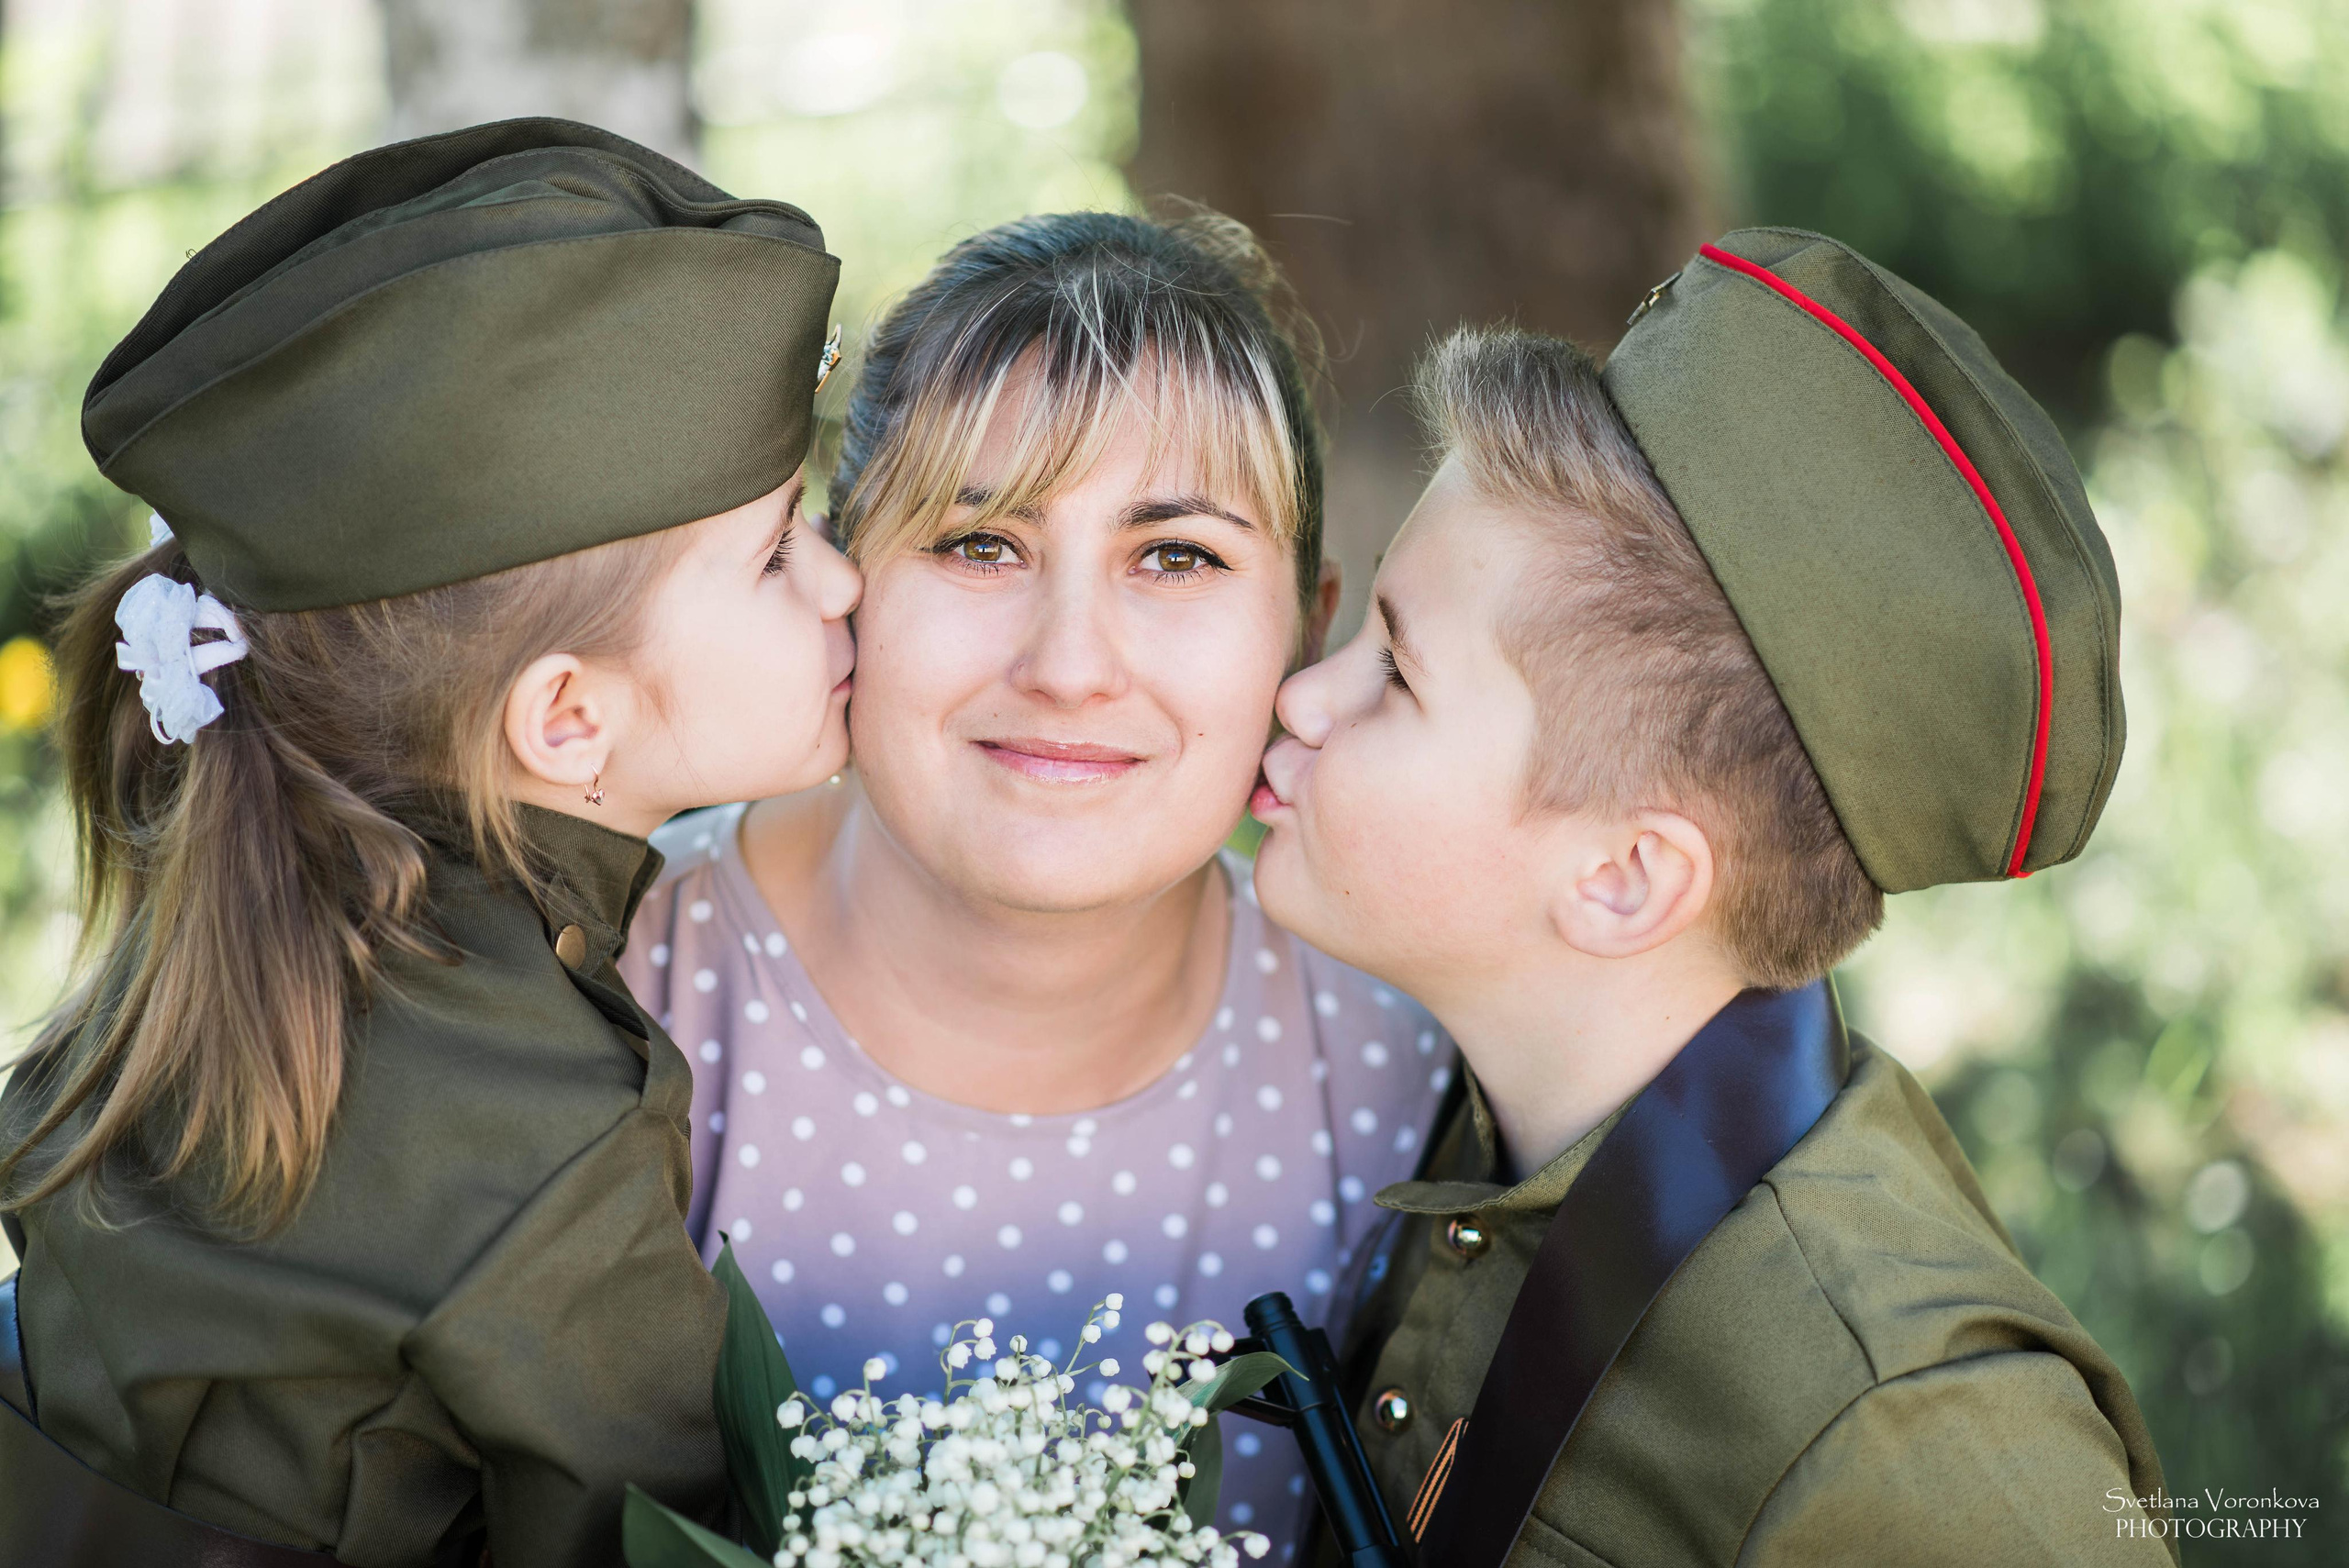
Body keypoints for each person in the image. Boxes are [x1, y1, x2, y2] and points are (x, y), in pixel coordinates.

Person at [0, 119, 859, 1567]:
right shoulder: (541, 1135)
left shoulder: (252, 926)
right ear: (568, 719)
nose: (842, 579)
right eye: (777, 552)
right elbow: (653, 1540)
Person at [1249, 229, 2176, 1565]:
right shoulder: (1462, 1113)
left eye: (1396, 673)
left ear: (1625, 878)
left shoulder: (1924, 1452)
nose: (1304, 695)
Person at [621, 209, 1451, 1547]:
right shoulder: (618, 984)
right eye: (979, 544)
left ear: (1305, 624)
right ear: (844, 582)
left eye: (1175, 556)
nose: (1070, 663)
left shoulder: (1398, 1089)